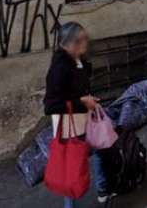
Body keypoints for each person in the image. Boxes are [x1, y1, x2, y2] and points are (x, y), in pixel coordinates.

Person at [44, 22, 110, 206]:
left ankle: (102, 189)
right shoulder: (59, 68)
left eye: (84, 38)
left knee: (98, 150)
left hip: (83, 119)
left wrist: (86, 99)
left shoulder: (77, 59)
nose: (86, 42)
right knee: (73, 165)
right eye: (81, 39)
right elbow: (50, 106)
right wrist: (82, 102)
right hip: (70, 126)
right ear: (69, 43)